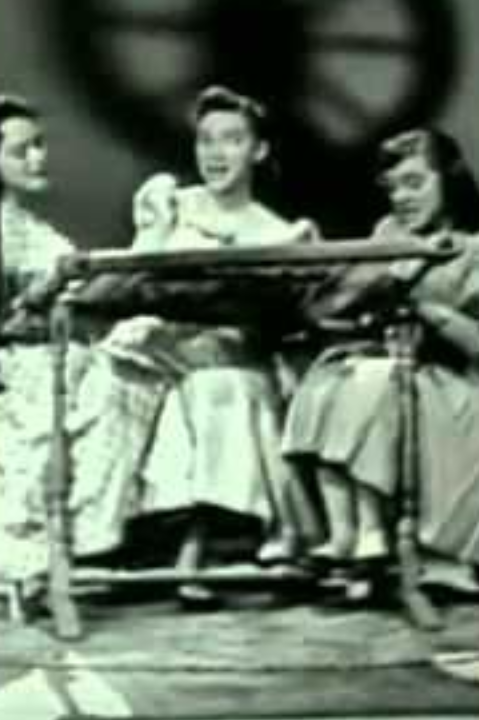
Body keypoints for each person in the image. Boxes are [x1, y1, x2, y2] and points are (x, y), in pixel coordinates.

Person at [0, 96, 171, 594]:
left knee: (138, 357)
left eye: (40, 145)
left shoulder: (44, 232)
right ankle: (32, 551)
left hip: (66, 350)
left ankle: (78, 542)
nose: (38, 158)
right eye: (22, 150)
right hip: (10, 363)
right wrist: (41, 300)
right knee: (59, 398)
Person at [281, 127, 479, 600]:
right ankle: (345, 535)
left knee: (371, 383)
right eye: (393, 187)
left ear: (448, 181)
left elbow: (478, 342)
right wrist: (324, 264)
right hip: (392, 370)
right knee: (323, 381)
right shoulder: (388, 235)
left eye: (414, 183)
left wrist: (423, 306)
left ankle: (373, 533)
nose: (402, 198)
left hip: (455, 385)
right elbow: (335, 302)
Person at [114, 86, 324, 607]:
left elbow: (283, 318)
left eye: (231, 140)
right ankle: (105, 541)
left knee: (221, 386)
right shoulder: (170, 205)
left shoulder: (276, 231)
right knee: (111, 377)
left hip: (230, 360)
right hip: (159, 352)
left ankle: (196, 550)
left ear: (259, 150)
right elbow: (132, 276)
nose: (215, 153)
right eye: (205, 140)